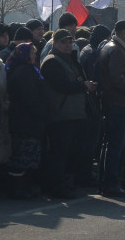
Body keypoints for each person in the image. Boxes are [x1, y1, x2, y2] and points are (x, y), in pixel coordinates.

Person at [40, 31, 97, 197]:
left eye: (69, 42)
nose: (67, 45)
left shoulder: (70, 59)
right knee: (58, 153)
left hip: (73, 114)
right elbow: (62, 86)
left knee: (68, 153)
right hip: (60, 115)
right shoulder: (52, 61)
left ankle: (64, 183)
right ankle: (55, 187)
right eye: (63, 42)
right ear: (54, 43)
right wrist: (83, 86)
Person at [96, 19, 125, 196]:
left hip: (115, 102)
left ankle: (110, 182)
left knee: (113, 144)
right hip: (118, 103)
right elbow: (117, 78)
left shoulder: (112, 47)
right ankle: (111, 184)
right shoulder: (115, 50)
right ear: (123, 32)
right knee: (116, 145)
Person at [4, 42, 50, 198]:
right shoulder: (24, 71)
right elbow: (28, 97)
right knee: (22, 156)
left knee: (27, 154)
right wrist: (41, 111)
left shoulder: (27, 70)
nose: (34, 55)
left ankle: (24, 186)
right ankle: (17, 188)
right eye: (31, 52)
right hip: (26, 119)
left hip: (28, 119)